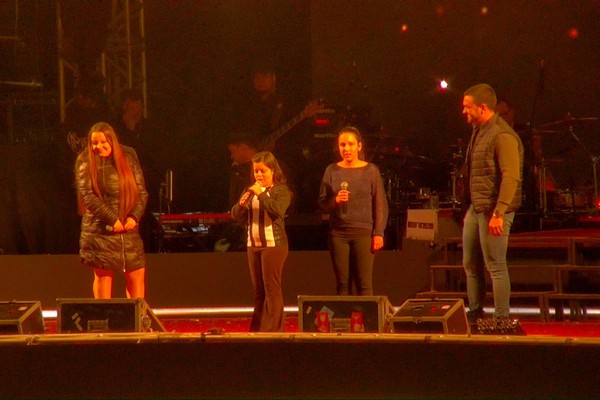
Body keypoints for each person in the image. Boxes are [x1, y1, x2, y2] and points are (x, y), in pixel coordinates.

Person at [461, 83, 524, 321]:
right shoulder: (479, 130)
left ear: (483, 107)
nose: (464, 111)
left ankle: (501, 319)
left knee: (495, 265)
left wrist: (499, 212)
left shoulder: (502, 134)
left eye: (467, 107)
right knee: (470, 264)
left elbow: (511, 176)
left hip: (494, 210)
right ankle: (476, 312)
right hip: (477, 207)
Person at [75, 121, 148, 299]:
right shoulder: (85, 160)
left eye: (102, 142)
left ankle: (138, 318)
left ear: (112, 140)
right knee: (103, 275)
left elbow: (141, 192)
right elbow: (87, 196)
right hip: (101, 230)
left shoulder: (128, 156)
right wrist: (113, 219)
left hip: (128, 229)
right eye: (94, 143)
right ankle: (103, 319)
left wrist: (133, 217)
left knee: (136, 274)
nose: (98, 146)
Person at [318, 126, 389, 296]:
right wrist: (335, 200)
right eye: (342, 145)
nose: (346, 149)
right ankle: (346, 321)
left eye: (350, 144)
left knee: (364, 284)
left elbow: (380, 203)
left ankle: (367, 321)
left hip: (363, 233)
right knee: (342, 283)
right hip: (338, 234)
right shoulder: (331, 170)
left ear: (359, 146)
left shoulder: (370, 170)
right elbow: (322, 203)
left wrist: (378, 232)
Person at [231, 151, 292, 332]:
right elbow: (235, 215)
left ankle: (274, 330)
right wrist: (241, 205)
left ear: (272, 170)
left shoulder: (281, 191)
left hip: (273, 246)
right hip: (253, 245)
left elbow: (277, 211)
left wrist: (262, 195)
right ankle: (257, 329)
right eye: (256, 171)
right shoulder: (249, 190)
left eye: (263, 171)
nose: (258, 175)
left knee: (271, 289)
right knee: (259, 292)